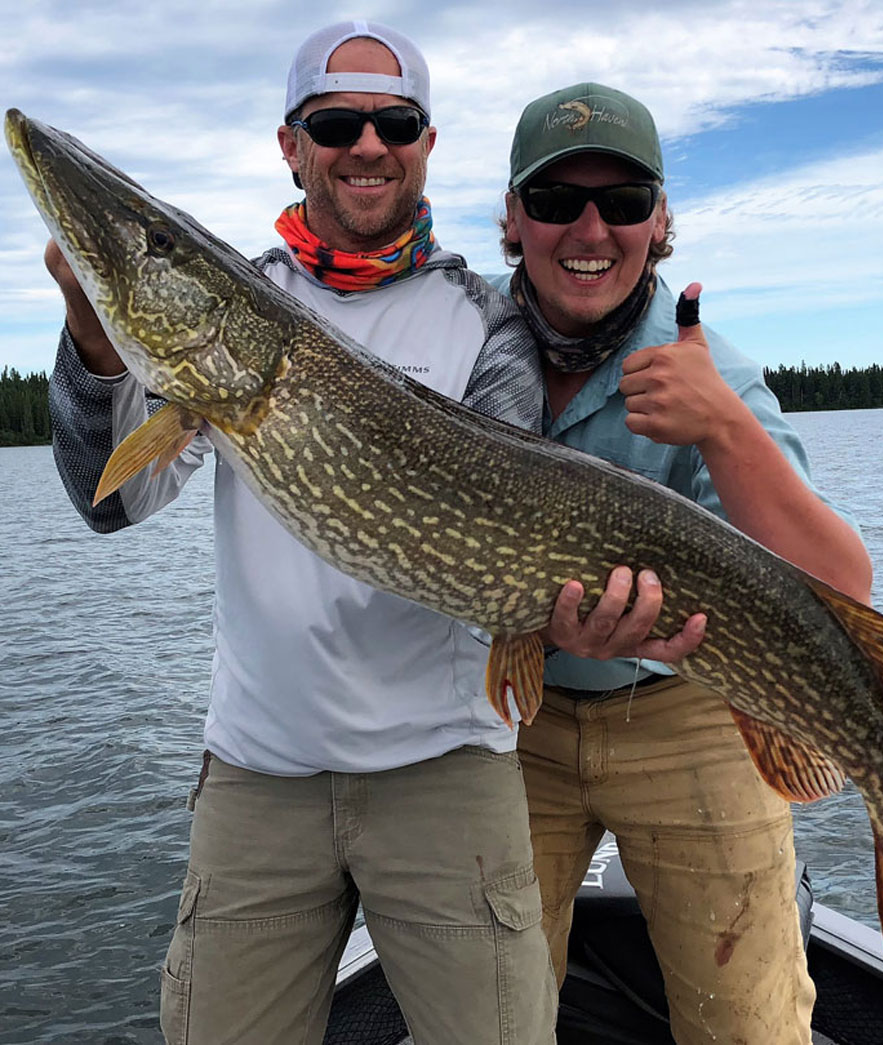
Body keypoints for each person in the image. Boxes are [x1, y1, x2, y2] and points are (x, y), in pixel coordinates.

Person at [44, 21, 563, 1045]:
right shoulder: (237, 315)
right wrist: (97, 336)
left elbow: (517, 533)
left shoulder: (487, 324)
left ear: (424, 142)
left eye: (392, 122)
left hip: (444, 768)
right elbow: (111, 504)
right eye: (336, 122)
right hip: (258, 773)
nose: (366, 144)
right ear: (293, 145)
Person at [491, 83, 875, 1045]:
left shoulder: (714, 373)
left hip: (691, 712)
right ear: (512, 218)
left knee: (746, 1023)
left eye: (622, 203)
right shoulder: (457, 342)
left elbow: (845, 595)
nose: (591, 227)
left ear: (660, 222)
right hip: (513, 721)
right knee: (489, 1010)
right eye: (555, 200)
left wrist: (722, 427)